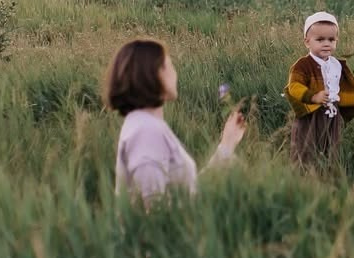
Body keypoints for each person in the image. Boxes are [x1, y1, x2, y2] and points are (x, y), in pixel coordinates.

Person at [104, 38, 247, 205]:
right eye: (169, 65)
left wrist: (227, 144)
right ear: (152, 74)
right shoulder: (146, 132)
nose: (174, 73)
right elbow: (155, 209)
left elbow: (187, 195)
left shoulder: (144, 126)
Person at [284, 11, 354, 166]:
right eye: (320, 39)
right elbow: (294, 87)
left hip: (332, 113)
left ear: (336, 40)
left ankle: (327, 174)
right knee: (306, 148)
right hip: (311, 114)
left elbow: (340, 92)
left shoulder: (337, 65)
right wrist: (313, 96)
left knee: (331, 147)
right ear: (307, 42)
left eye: (331, 39)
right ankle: (304, 175)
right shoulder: (303, 65)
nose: (326, 44)